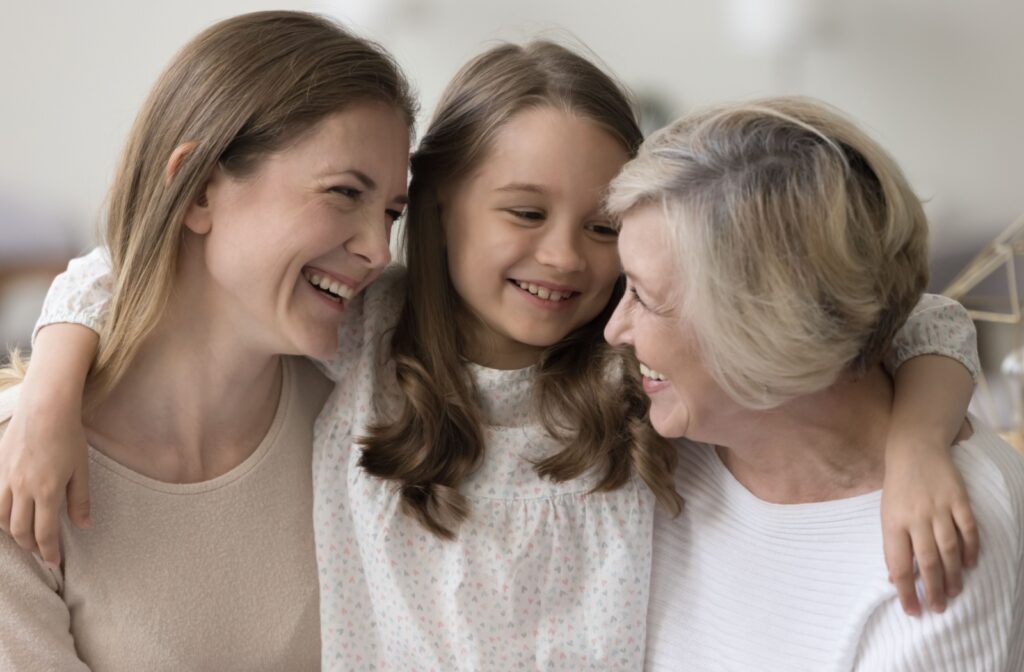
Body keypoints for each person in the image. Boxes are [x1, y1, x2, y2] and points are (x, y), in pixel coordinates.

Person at [2, 44, 982, 671]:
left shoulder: (630, 361)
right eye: (522, 213)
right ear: (435, 209)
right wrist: (50, 384)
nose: (562, 257)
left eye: (600, 226)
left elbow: (924, 316)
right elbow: (136, 266)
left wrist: (916, 446)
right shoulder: (365, 333)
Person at [0, 10, 414, 670]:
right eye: (343, 193)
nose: (376, 250)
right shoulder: (23, 472)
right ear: (197, 191)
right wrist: (47, 388)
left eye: (392, 213)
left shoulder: (366, 412)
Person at [604, 96, 1024, 670]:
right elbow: (931, 315)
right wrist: (917, 441)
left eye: (642, 297)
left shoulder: (936, 547)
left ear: (765, 336)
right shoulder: (659, 425)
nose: (613, 329)